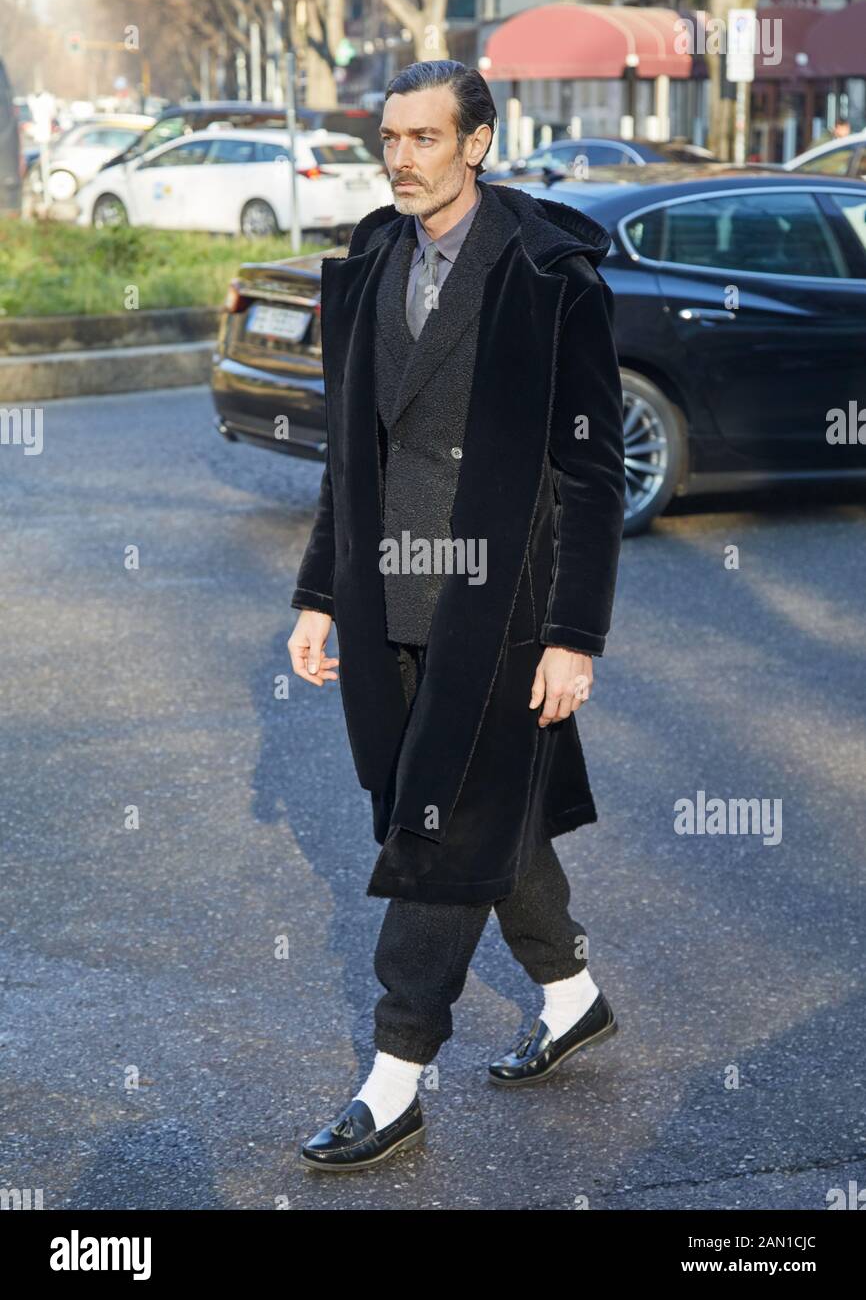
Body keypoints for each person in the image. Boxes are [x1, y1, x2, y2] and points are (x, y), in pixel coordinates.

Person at [288, 60, 626, 1172]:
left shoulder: (548, 274)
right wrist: (320, 594)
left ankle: (393, 1080)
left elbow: (588, 472)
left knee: (434, 829)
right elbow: (352, 456)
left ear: (475, 143)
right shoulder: (372, 255)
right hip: (391, 599)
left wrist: (574, 634)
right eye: (388, 137)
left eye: (423, 138)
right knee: (480, 815)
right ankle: (569, 992)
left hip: (504, 609)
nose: (398, 156)